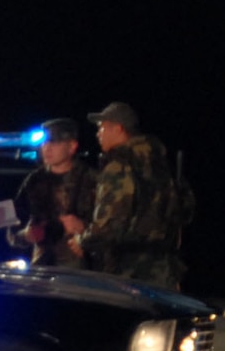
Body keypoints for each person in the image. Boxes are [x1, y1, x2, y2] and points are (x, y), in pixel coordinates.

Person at [71, 101, 182, 289]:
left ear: (118, 129)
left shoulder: (119, 166)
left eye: (102, 128)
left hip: (128, 273)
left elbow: (108, 226)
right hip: (165, 268)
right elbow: (185, 208)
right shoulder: (161, 163)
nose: (98, 134)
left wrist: (81, 240)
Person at [10, 117, 98, 268]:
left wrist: (84, 228)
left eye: (54, 142)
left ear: (72, 147)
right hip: (42, 270)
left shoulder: (91, 180)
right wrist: (26, 235)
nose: (47, 148)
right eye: (44, 142)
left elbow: (110, 229)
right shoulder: (34, 181)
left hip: (81, 273)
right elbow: (13, 224)